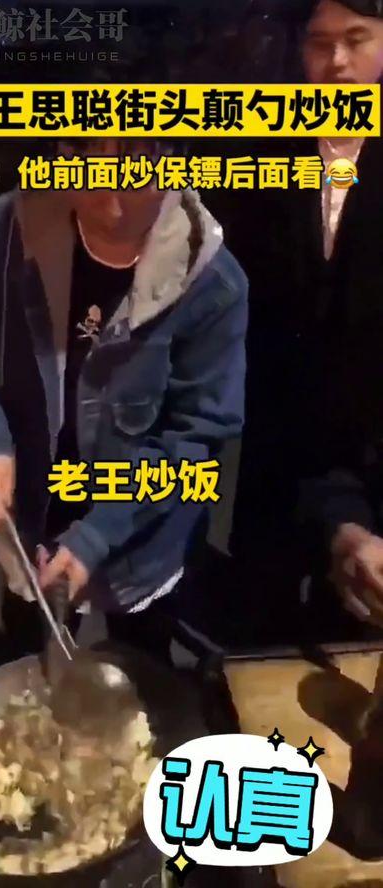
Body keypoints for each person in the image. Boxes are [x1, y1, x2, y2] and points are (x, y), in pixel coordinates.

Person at [0, 138, 248, 664]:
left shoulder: (213, 282)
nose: (107, 182)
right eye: (87, 153)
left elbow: (194, 438)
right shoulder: (13, 226)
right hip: (35, 515)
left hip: (142, 534)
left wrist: (95, 537)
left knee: (141, 667)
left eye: (134, 157)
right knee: (29, 661)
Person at [199, 0, 383, 646]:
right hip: (277, 442)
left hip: (374, 447)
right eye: (320, 44)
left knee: (357, 644)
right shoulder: (260, 151)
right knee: (263, 637)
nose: (338, 62)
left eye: (356, 40)